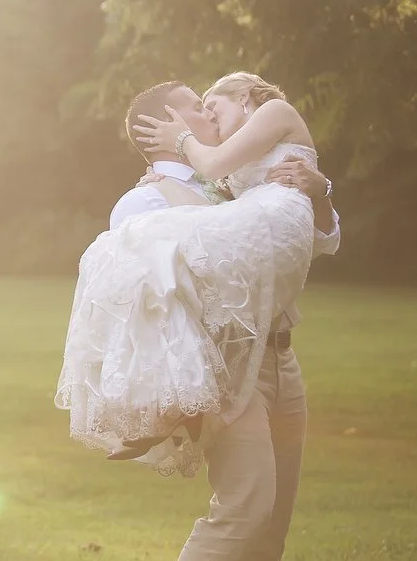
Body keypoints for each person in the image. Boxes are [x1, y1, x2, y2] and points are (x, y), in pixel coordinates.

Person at [56, 73, 340, 558]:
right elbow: (144, 307)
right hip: (228, 366)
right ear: (166, 124)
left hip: (282, 359)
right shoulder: (144, 201)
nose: (209, 113)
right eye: (195, 105)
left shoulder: (239, 180)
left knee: (272, 526)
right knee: (245, 511)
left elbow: (313, 244)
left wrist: (319, 191)